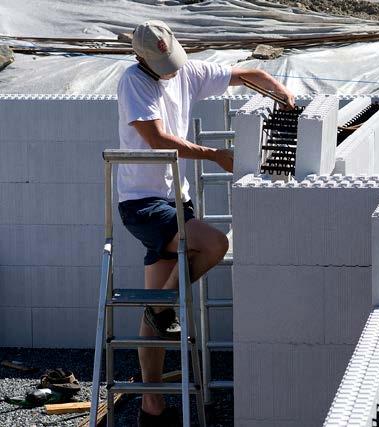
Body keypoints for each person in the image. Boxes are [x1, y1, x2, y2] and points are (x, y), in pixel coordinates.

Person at [116, 20, 295, 426]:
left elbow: (245, 73)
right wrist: (215, 154)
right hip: (143, 204)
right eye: (162, 62)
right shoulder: (134, 83)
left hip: (174, 201)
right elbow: (158, 139)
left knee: (157, 302)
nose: (170, 68)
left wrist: (279, 91)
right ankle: (161, 314)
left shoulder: (186, 72)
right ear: (141, 58)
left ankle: (151, 406)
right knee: (214, 244)